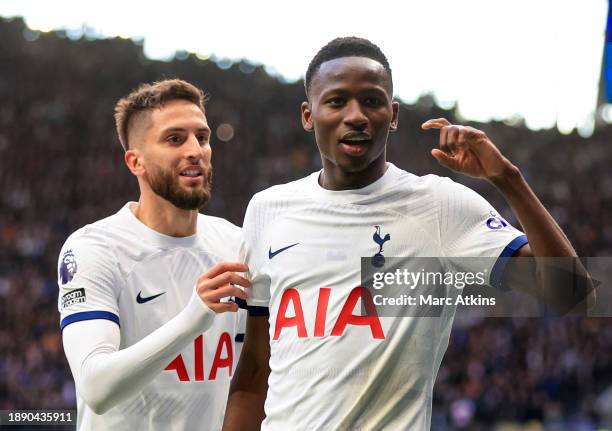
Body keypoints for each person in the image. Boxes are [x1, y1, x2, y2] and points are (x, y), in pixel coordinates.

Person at [223, 37, 585, 430]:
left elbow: (571, 293)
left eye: (372, 101)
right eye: (337, 101)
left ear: (393, 115)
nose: (356, 115)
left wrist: (508, 179)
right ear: (308, 116)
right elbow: (256, 370)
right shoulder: (267, 209)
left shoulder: (440, 205)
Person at [58, 79, 249, 430]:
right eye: (175, 139)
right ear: (135, 162)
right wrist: (194, 318)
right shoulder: (94, 249)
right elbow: (95, 387)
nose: (196, 150)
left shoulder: (237, 244)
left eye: (202, 138)